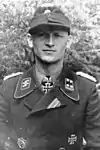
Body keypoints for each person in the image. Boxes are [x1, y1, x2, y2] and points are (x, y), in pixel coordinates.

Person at [0, 3, 100, 150]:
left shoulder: (86, 89)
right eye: (42, 35)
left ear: (69, 41)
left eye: (58, 36)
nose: (50, 43)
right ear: (30, 40)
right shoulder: (9, 88)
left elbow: (96, 145)